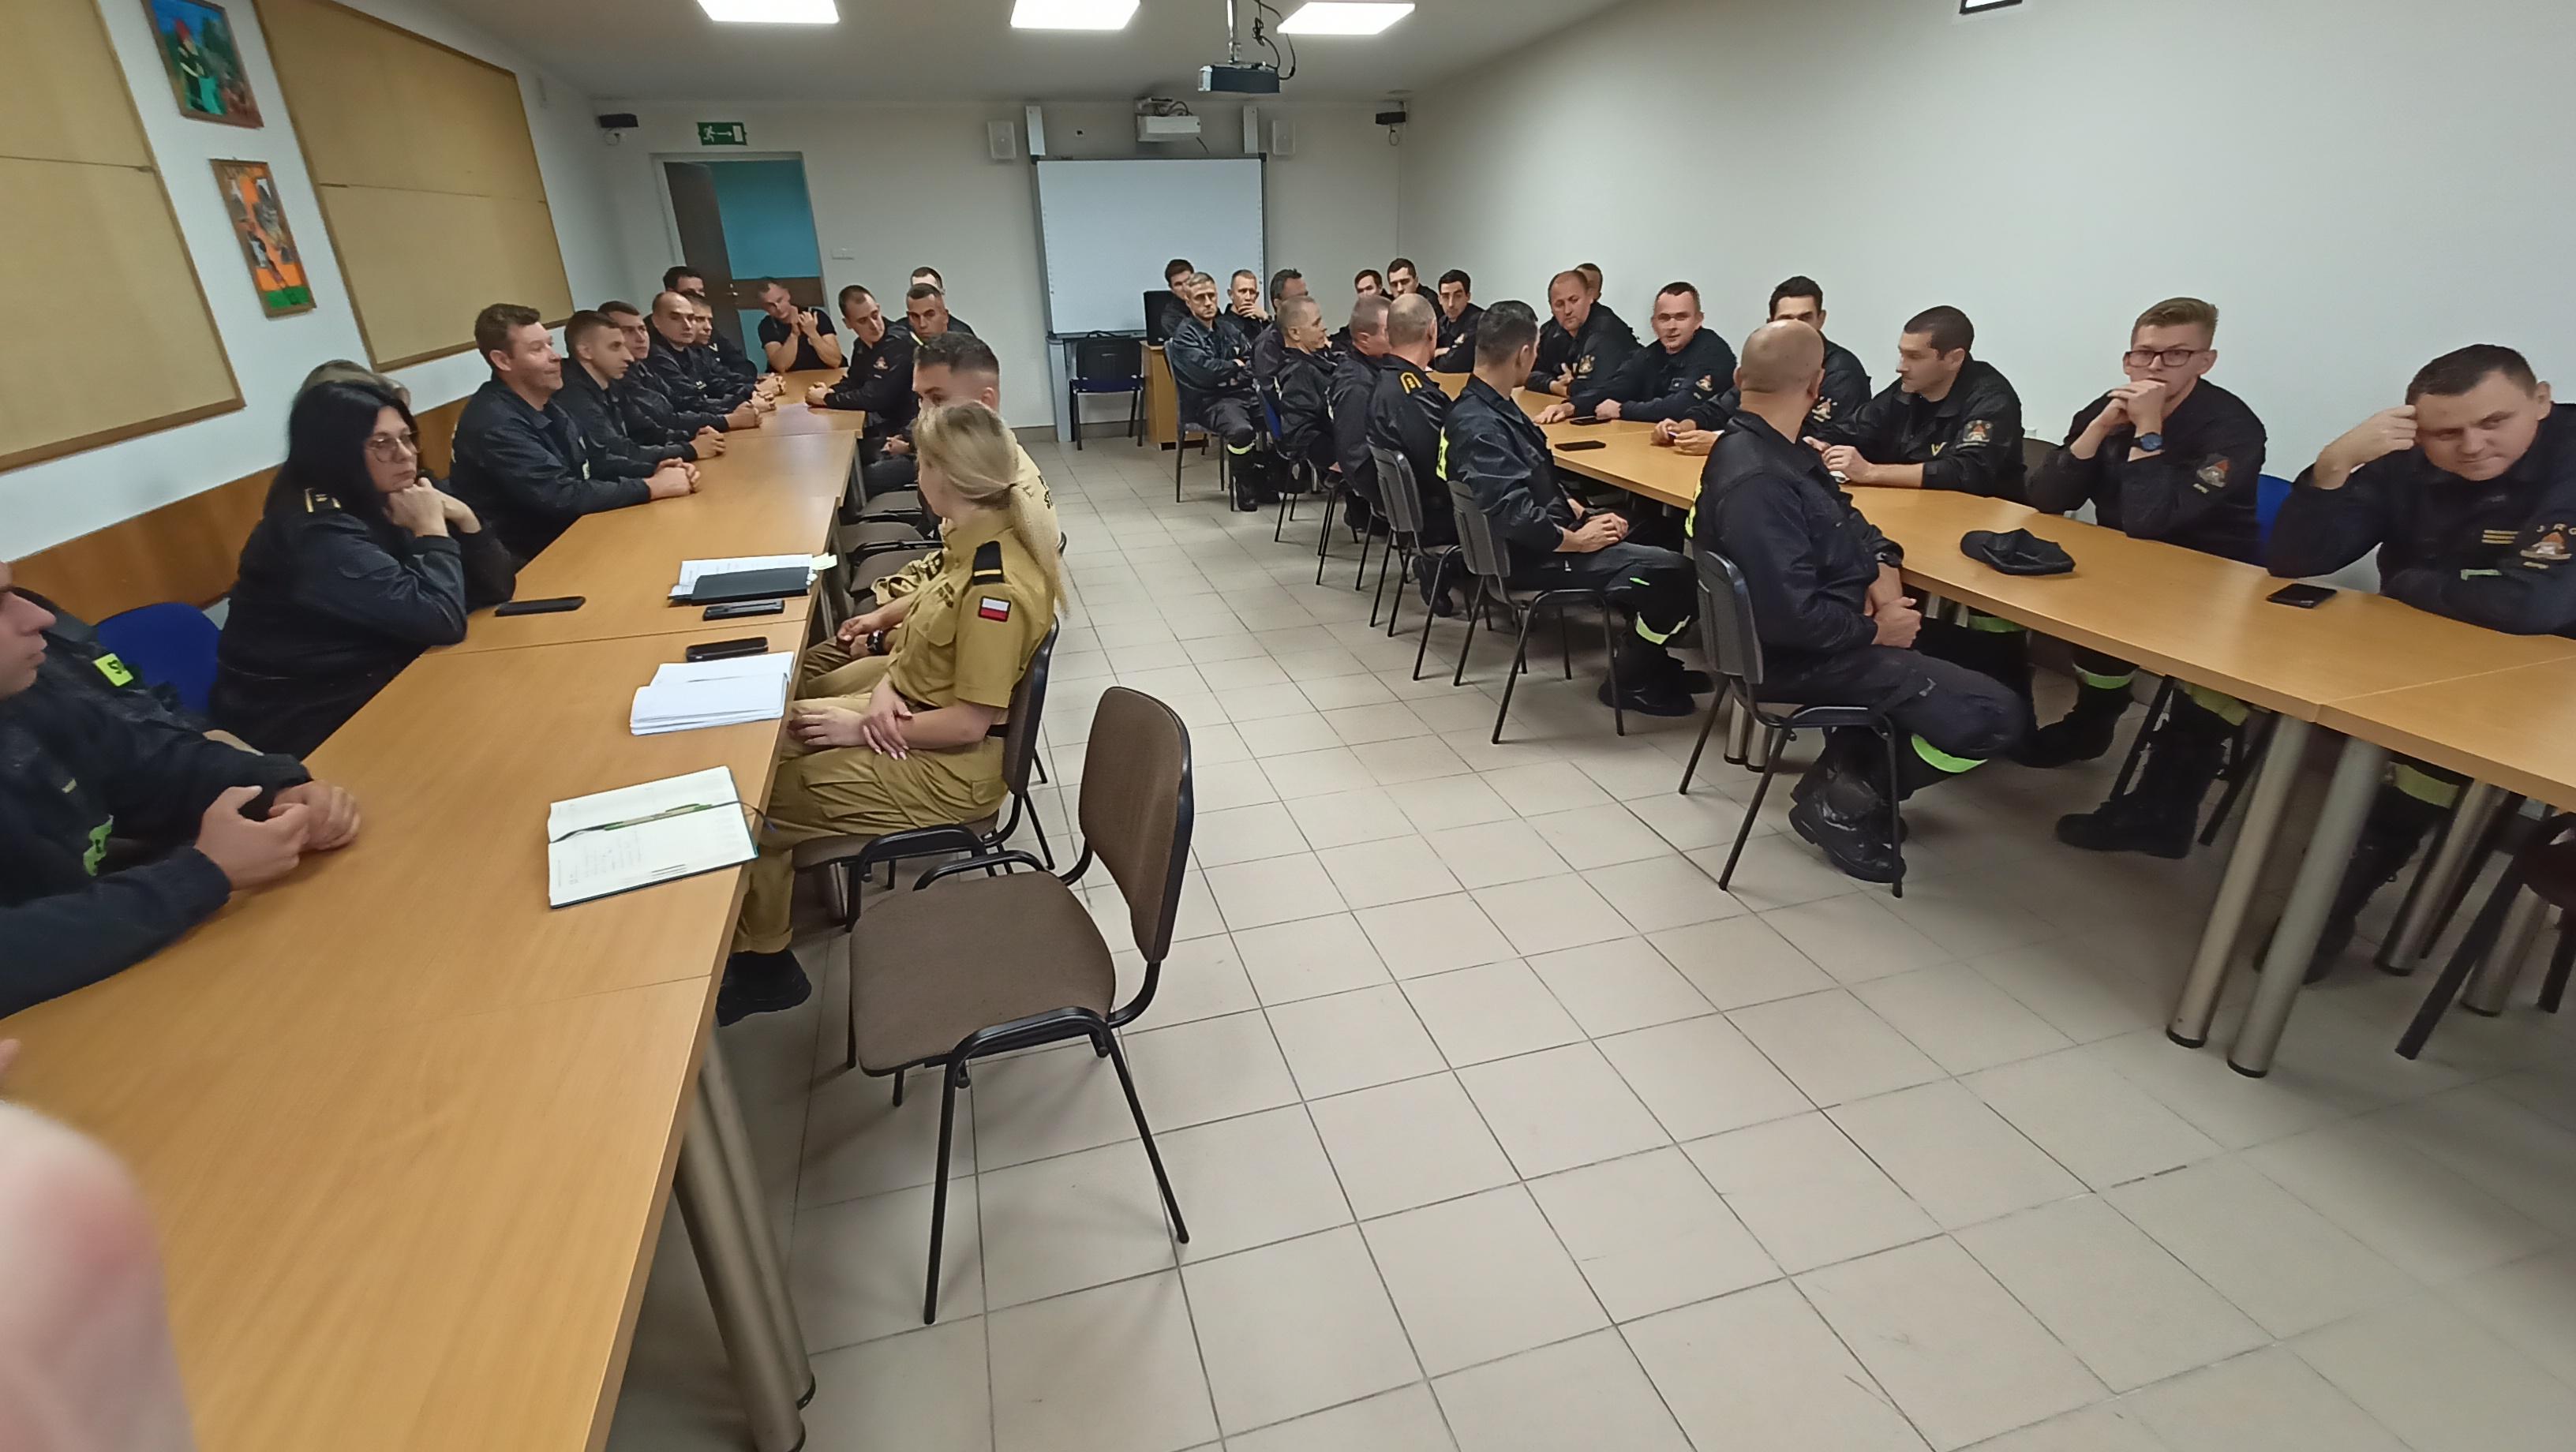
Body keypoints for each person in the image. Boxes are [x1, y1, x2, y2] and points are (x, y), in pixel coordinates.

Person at [719, 402, 1060, 1022]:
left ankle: (766, 965)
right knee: (767, 743)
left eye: (923, 462)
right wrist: (884, 689)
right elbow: (930, 622)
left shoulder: (997, 587)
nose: (915, 472)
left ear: (947, 479)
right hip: (913, 717)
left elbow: (968, 723)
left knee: (757, 805)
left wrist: (858, 727)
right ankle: (760, 939)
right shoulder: (977, 536)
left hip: (949, 762)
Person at [2261, 344, 2576, 978]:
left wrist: (2411, 583)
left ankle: (2350, 885)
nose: (2472, 447)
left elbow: (2532, 605)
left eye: (2494, 422)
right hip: (2436, 652)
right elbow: (2295, 560)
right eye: (2446, 433)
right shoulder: (2403, 455)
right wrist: (2334, 465)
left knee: (2437, 754)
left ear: (2541, 401)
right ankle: (2346, 877)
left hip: (2554, 676)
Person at [1694, 321, 2030, 883]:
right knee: (1999, 717)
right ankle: (1845, 799)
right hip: (1796, 656)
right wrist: (1879, 632)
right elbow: (1790, 619)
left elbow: (1858, 530)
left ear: (1737, 377)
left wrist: (1887, 597)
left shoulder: (1780, 452)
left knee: (1986, 659)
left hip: (1834, 630)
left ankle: (1847, 774)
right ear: (1817, 384)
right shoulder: (1759, 478)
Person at [0, 557, 360, 1016]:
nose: (40, 616)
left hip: (113, 975)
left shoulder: (31, 697)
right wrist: (203, 873)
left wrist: (275, 790)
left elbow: (154, 764)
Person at [2027, 298, 2268, 806]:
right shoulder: (2109, 406)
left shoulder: (2234, 429)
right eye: (2144, 353)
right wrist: (2098, 429)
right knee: (2062, 605)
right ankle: (2093, 721)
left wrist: (2149, 429)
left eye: (2176, 354)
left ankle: (2162, 803)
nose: (2155, 367)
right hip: (2124, 566)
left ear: (2206, 361)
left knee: (2200, 678)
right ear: (2128, 359)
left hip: (2209, 580)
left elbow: (2149, 522)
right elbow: (2048, 498)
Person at [211, 382, 519, 755]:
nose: (405, 454)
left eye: (407, 437)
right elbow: (441, 621)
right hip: (312, 717)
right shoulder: (315, 533)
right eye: (382, 444)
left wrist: (466, 518)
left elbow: (496, 588)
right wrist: (431, 530)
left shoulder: (391, 495)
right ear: (335, 452)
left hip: (383, 676)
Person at [1444, 301, 1698, 716]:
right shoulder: (1480, 424)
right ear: (1524, 354)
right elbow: (1516, 515)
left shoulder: (1490, 405)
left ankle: (1648, 657)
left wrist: (1582, 512)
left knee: (1656, 529)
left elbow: (1532, 480)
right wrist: (1578, 541)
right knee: (1679, 572)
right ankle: (1630, 677)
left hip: (1545, 534)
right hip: (1533, 556)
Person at [809, 331, 1058, 688]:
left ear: (984, 402)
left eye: (937, 399)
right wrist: (884, 619)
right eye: (920, 399)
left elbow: (959, 624)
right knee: (805, 673)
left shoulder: (992, 494)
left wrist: (881, 639)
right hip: (929, 622)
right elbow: (949, 579)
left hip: (937, 671)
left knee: (804, 692)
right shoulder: (986, 469)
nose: (922, 413)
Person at [1811, 305, 2031, 705]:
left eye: (1914, 356)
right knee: (1865, 565)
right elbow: (1858, 428)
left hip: (1981, 536)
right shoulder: (1907, 389)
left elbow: (1968, 471)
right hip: (1915, 521)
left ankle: (1982, 696)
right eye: (1901, 353)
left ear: (1954, 358)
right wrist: (1819, 443)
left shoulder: (1991, 398)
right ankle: (1890, 688)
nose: (1901, 366)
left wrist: (1871, 473)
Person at [447, 304, 695, 560]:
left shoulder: (546, 403)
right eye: (537, 349)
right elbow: (559, 496)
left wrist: (655, 469)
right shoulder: (495, 423)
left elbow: (596, 459)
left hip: (574, 537)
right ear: (502, 360)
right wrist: (650, 487)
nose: (555, 356)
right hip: (532, 560)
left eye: (550, 344)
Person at [1657, 276, 1872, 451]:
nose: (1796, 327)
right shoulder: (1769, 360)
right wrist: (1685, 426)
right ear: (1771, 324)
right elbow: (1723, 406)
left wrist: (1722, 442)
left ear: (1821, 319)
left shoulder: (1842, 371)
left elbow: (1813, 438)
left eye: (1805, 318)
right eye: (1786, 319)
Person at [1543, 281, 1735, 424]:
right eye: (1664, 318)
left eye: (1681, 317)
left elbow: (1683, 406)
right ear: (1653, 323)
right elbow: (1617, 386)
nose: (1672, 326)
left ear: (1698, 320)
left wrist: (1623, 410)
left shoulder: (1714, 353)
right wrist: (1571, 407)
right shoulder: (1653, 353)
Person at [556, 310, 707, 485]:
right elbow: (617, 451)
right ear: (586, 351)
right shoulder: (572, 396)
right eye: (615, 347)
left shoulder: (610, 381)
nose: (628, 357)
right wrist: (689, 449)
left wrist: (693, 436)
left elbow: (646, 430)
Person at [1370, 295, 1458, 593]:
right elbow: (1442, 466)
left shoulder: (1389, 382)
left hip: (1419, 512)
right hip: (1440, 514)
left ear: (1388, 333)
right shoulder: (1411, 395)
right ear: (1433, 330)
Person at [1166, 271, 1273, 511]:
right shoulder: (1185, 336)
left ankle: (1265, 476)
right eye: (1200, 297)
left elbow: (1253, 360)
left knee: (1284, 419)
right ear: (1188, 301)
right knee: (1241, 431)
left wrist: (1236, 372)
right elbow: (1207, 372)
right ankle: (1245, 484)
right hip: (1208, 402)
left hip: (1241, 395)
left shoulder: (1226, 327)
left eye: (1211, 296)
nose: (1207, 302)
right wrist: (1235, 366)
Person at [862, 283, 974, 499]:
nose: (922, 324)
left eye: (929, 315)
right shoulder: (920, 352)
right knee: (860, 453)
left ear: (945, 315)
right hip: (917, 438)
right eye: (915, 317)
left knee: (864, 480)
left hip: (944, 455)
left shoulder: (960, 357)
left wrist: (909, 444)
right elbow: (920, 410)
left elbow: (956, 424)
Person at [601, 299, 743, 449]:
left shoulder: (641, 367)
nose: (641, 338)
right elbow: (663, 422)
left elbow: (679, 401)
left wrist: (731, 411)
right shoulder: (625, 374)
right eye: (628, 331)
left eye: (642, 329)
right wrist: (726, 420)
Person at [807, 285, 919, 461]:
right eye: (863, 321)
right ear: (848, 323)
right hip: (890, 422)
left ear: (879, 309)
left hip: (911, 429)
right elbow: (855, 381)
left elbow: (875, 397)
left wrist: (826, 399)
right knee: (837, 448)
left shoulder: (897, 342)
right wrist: (831, 390)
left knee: (852, 457)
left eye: (875, 315)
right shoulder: (861, 345)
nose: (873, 325)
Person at [633, 291, 761, 425]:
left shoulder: (689, 351)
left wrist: (752, 393)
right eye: (675, 318)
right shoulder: (656, 356)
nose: (687, 326)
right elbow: (688, 403)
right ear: (656, 322)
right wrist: (743, 405)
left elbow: (714, 383)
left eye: (691, 318)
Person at [1331, 294, 1395, 533]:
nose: (1397, 337)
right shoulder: (1357, 385)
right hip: (1379, 488)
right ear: (1364, 339)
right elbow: (1357, 459)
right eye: (1388, 331)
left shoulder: (1371, 367)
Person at [1530, 268, 1638, 397]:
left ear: (1590, 297)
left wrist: (1571, 386)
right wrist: (1553, 385)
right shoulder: (1552, 330)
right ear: (1551, 307)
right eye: (1559, 304)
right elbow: (1526, 373)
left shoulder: (1605, 330)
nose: (1567, 310)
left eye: (1574, 300)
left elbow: (1591, 390)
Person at [1269, 294, 1337, 479]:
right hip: (1339, 453)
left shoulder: (1313, 360)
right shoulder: (1298, 372)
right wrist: (1341, 461)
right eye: (1316, 324)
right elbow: (1300, 433)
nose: (1324, 327)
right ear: (1295, 333)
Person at [662, 264, 765, 386]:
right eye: (690, 292)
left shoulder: (707, 329)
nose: (698, 297)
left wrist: (748, 385)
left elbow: (741, 365)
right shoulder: (665, 339)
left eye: (701, 291)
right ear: (671, 293)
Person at [754, 279, 841, 374]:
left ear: (788, 294)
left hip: (825, 375)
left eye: (780, 300)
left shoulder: (816, 315)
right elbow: (781, 366)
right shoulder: (767, 325)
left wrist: (813, 333)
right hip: (790, 379)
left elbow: (835, 361)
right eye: (771, 305)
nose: (778, 308)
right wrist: (794, 335)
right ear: (764, 308)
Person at [1252, 267, 1309, 382]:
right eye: (1297, 298)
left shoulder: (1310, 334)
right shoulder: (1267, 344)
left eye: (1306, 296)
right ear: (1278, 304)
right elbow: (1270, 387)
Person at [1431, 269, 1484, 373]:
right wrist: (1445, 351)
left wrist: (1435, 354)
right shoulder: (1442, 322)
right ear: (1439, 299)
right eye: (1446, 297)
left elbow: (1451, 365)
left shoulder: (1478, 321)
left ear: (1468, 296)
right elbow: (1422, 355)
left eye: (1457, 296)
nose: (1451, 304)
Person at [900, 267, 976, 338]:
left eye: (931, 290)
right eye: (917, 290)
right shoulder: (899, 333)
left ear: (942, 293)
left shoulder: (961, 333)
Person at [1155, 257, 1196, 338]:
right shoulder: (1171, 318)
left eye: (1188, 281)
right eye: (1178, 284)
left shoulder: (1207, 304)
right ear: (1172, 289)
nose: (1185, 288)